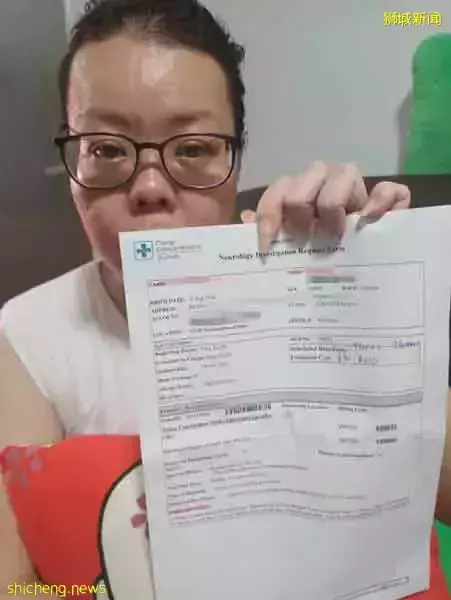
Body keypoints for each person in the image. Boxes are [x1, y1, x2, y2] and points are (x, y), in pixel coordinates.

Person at [0, 0, 447, 598]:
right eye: (106, 148)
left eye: (191, 149)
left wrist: (371, 307)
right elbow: (16, 586)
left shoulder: (308, 290)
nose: (150, 187)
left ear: (236, 159)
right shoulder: (28, 336)